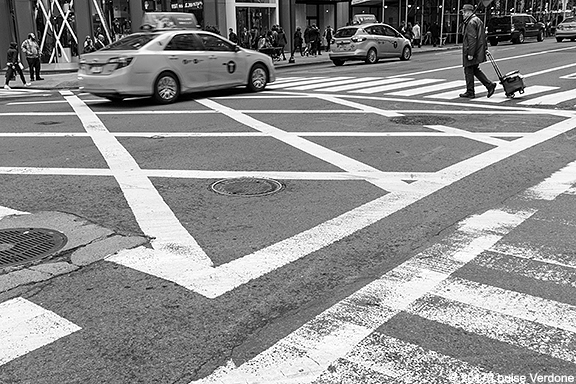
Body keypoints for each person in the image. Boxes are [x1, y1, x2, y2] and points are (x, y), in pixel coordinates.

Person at [459, 4, 496, 99]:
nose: (462, 14)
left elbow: (472, 39)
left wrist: (470, 53)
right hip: (478, 50)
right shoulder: (477, 20)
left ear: (468, 12)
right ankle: (489, 85)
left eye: (463, 12)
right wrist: (484, 48)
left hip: (472, 51)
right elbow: (482, 36)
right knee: (474, 69)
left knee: (468, 70)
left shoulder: (471, 22)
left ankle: (470, 91)